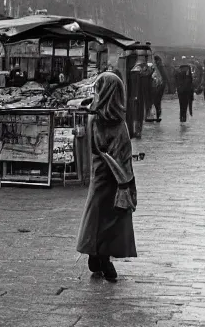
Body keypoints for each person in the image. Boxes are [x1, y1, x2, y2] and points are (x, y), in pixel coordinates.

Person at [76, 72, 138, 281]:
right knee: (110, 218)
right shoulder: (116, 122)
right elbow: (121, 152)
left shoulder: (94, 117)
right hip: (114, 178)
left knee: (96, 216)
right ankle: (103, 257)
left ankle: (96, 254)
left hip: (100, 174)